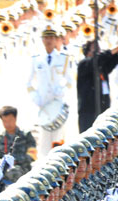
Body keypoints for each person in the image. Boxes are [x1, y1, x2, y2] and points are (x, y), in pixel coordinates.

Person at [27, 24, 73, 157]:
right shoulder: (36, 59)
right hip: (43, 104)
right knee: (44, 140)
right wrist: (35, 97)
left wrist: (62, 90)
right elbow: (28, 82)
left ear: (56, 39)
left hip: (58, 103)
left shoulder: (63, 58)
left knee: (58, 139)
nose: (49, 40)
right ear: (42, 40)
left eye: (51, 37)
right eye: (46, 37)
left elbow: (69, 80)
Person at [77, 40, 118, 132]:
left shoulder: (102, 66)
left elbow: (113, 60)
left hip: (102, 108)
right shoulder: (84, 64)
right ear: (87, 52)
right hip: (88, 111)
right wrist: (114, 49)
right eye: (95, 49)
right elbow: (98, 60)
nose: (98, 52)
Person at [0, 106, 36, 182]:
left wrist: (16, 160)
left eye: (10, 120)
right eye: (4, 121)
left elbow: (32, 155)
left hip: (24, 172)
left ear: (15, 119)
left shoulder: (26, 135)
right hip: (3, 173)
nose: (7, 124)